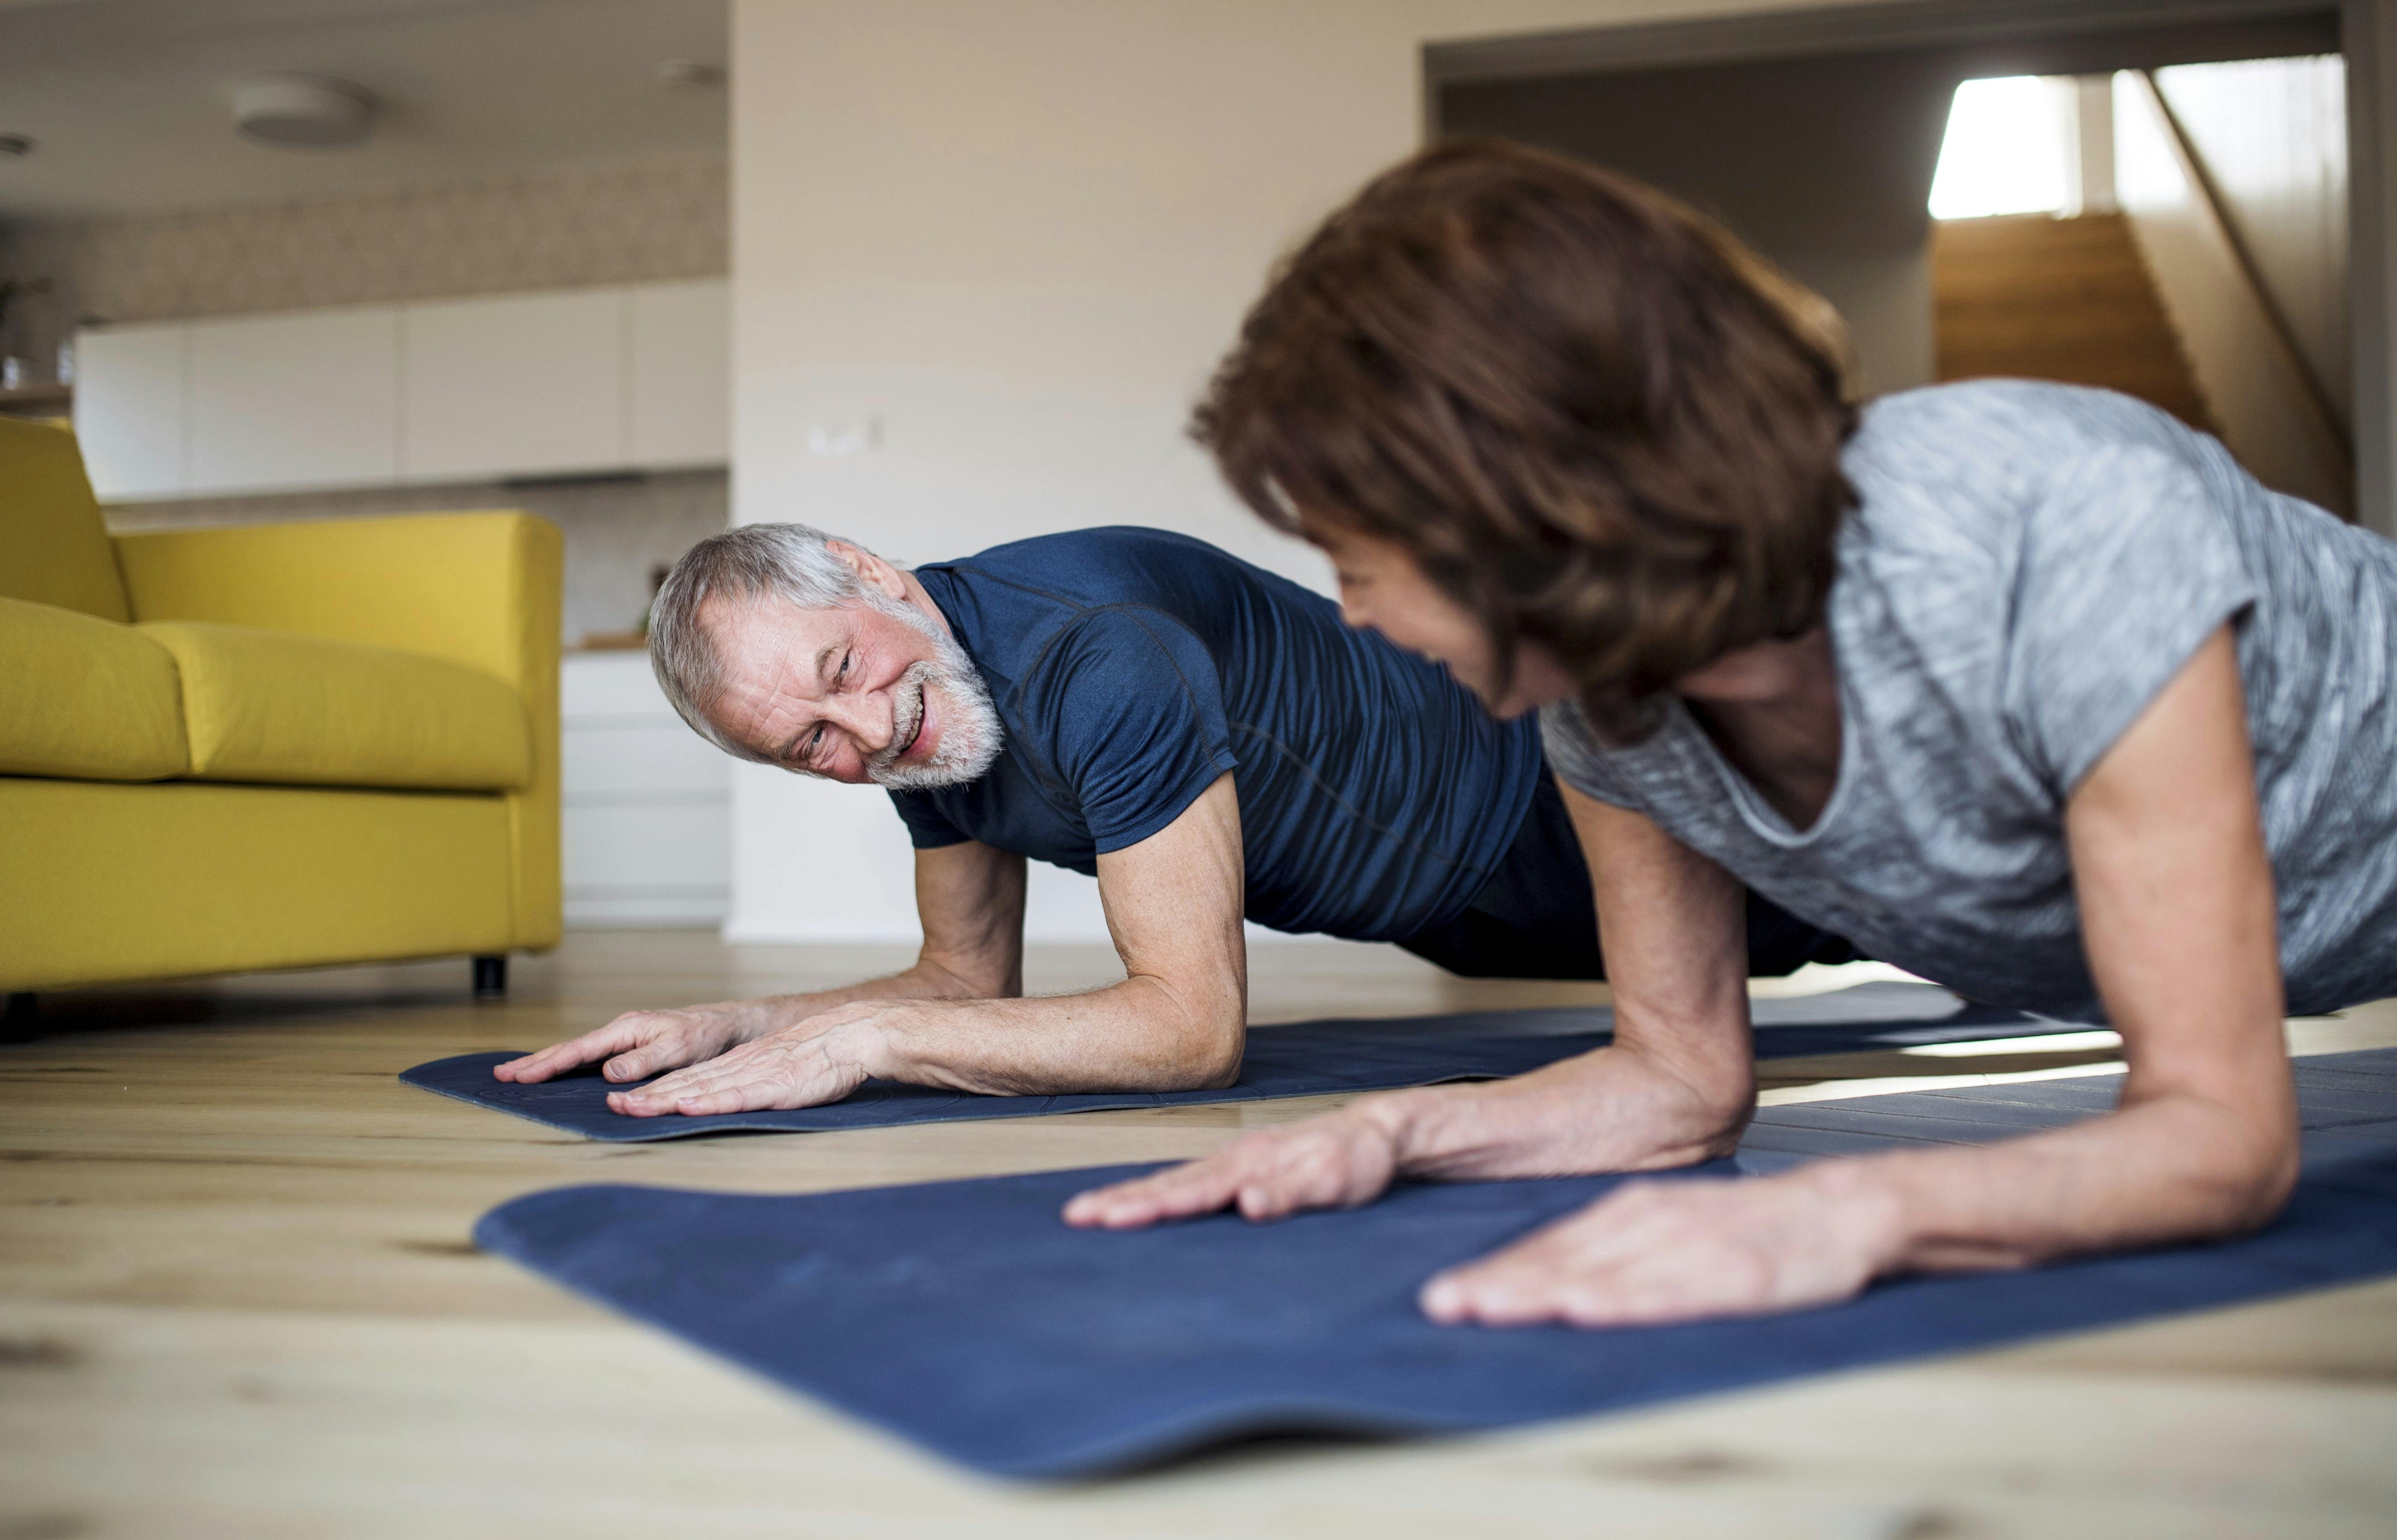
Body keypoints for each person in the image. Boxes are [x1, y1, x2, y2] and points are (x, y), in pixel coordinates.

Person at [1066, 138, 2397, 1327]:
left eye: (1356, 562)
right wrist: (1387, 1131)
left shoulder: (2061, 523)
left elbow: (2218, 1137)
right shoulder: (1607, 715)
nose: (1351, 620)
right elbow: (1675, 1085)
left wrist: (1838, 1214)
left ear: (1518, 506)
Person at [495, 521, 1853, 1115]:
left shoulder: (1095, 656)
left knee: (1895, 907)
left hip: (1558, 815)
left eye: (839, 675)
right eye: (810, 748)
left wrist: (879, 1040)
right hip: (1458, 916)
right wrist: (745, 1022)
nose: (862, 736)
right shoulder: (925, 726)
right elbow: (962, 980)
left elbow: (1190, 1031)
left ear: (867, 573)